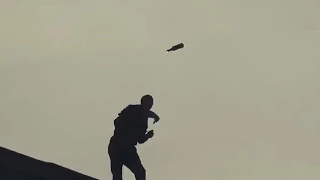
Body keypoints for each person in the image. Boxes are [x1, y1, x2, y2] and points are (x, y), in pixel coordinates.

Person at [108, 95, 160, 180]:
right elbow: (117, 121)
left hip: (124, 147)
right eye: (149, 103)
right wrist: (153, 115)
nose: (150, 106)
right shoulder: (133, 109)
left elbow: (140, 139)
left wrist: (147, 136)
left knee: (139, 172)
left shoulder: (143, 119)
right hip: (118, 145)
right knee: (118, 175)